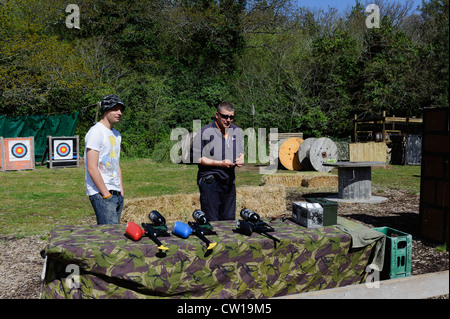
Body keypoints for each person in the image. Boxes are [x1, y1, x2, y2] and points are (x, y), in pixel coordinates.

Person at [193, 102, 244, 221]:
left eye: (231, 117)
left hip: (229, 181)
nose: (228, 120)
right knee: (212, 221)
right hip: (210, 182)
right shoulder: (205, 132)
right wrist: (219, 163)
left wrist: (241, 158)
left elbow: (240, 150)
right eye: (225, 116)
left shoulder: (236, 131)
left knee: (229, 220)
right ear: (217, 115)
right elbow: (196, 158)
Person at [84, 94, 125, 225]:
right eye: (115, 109)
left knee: (114, 235)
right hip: (102, 194)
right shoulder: (96, 132)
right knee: (108, 237)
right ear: (106, 110)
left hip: (116, 193)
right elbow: (91, 167)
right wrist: (106, 194)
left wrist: (121, 191)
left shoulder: (116, 134)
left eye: (121, 110)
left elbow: (116, 164)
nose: (120, 113)